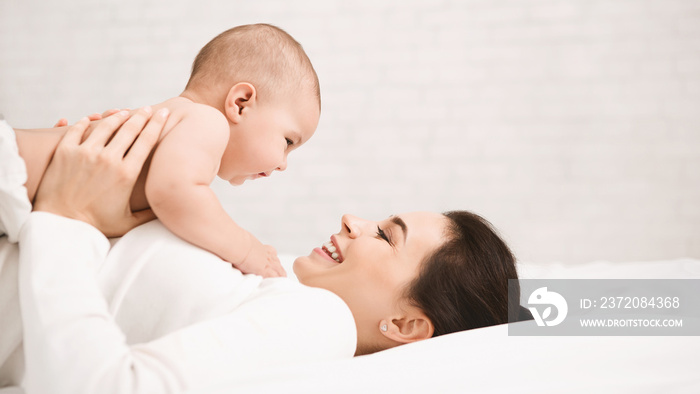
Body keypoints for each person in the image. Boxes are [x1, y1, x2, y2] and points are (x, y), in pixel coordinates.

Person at [3, 115, 523, 393]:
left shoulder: (319, 322)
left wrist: (67, 215)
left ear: (406, 325)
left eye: (387, 236)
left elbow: (100, 387)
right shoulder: (287, 298)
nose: (353, 221)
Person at [2, 23, 321, 278]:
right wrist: (246, 248)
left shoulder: (181, 125)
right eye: (288, 142)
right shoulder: (208, 121)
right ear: (240, 103)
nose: (283, 165)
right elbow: (173, 192)